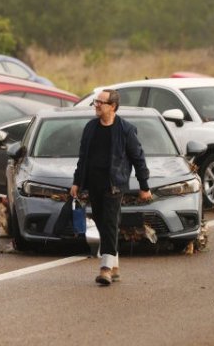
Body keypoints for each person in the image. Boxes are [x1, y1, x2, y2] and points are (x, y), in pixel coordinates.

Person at [69, 89, 151, 286]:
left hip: (114, 185)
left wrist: (144, 186)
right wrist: (77, 182)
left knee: (110, 223)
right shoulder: (90, 128)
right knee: (100, 221)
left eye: (100, 102)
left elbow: (138, 158)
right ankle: (114, 266)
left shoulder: (125, 130)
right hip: (93, 184)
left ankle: (105, 268)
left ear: (112, 106)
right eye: (95, 102)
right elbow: (83, 158)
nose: (96, 105)